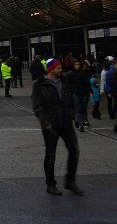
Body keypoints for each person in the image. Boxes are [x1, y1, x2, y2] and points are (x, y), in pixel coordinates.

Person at [32, 59, 83, 196]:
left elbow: (70, 100)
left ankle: (70, 181)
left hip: (66, 122)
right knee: (51, 155)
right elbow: (37, 106)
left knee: (74, 150)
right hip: (50, 124)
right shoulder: (40, 85)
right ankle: (50, 184)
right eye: (58, 68)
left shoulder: (65, 82)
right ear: (50, 69)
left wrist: (73, 115)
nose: (61, 70)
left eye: (61, 68)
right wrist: (45, 122)